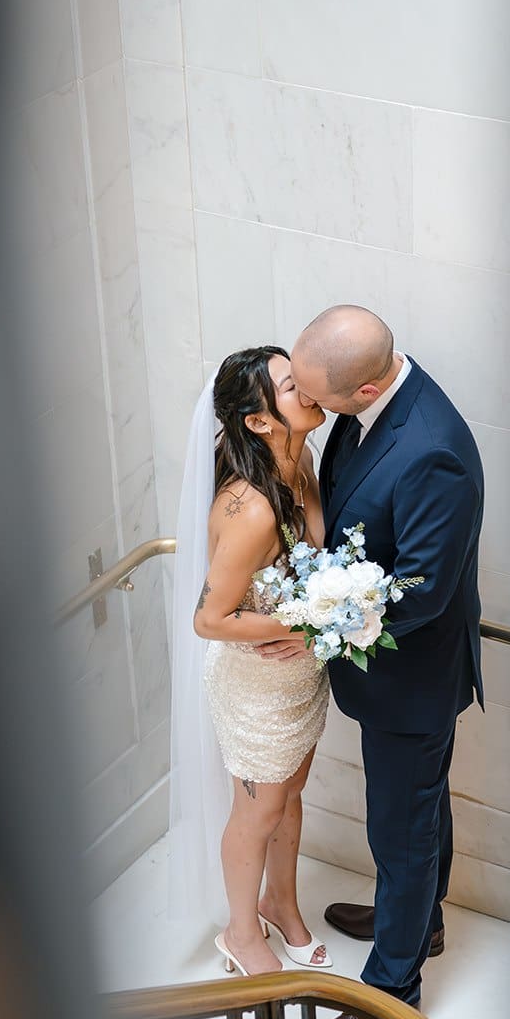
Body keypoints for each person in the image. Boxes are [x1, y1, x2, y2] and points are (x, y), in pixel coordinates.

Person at [258, 306, 484, 1019]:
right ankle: (424, 922)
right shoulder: (372, 401)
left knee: (402, 831)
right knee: (413, 815)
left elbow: (420, 588)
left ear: (364, 389)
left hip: (410, 680)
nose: (310, 412)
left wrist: (315, 629)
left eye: (320, 401)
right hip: (387, 676)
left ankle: (393, 988)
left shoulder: (432, 451)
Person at [173, 346, 334, 976]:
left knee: (291, 794)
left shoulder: (301, 458)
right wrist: (306, 621)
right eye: (294, 386)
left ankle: (281, 901)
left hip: (300, 673)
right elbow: (209, 619)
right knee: (259, 809)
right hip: (255, 685)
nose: (313, 388)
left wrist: (324, 620)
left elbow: (314, 561)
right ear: (260, 421)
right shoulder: (251, 509)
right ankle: (241, 933)